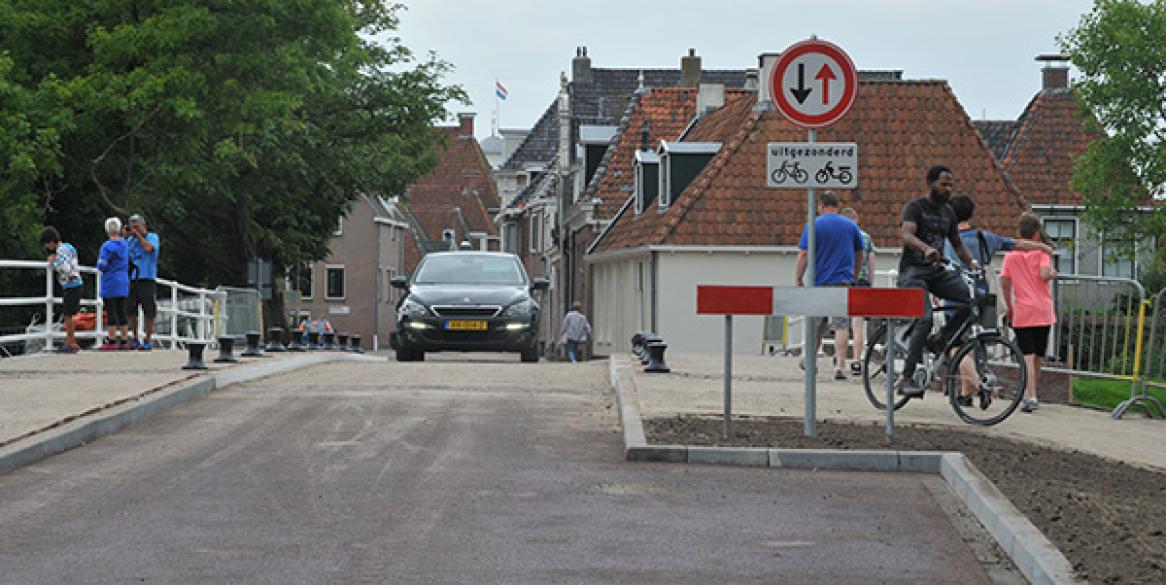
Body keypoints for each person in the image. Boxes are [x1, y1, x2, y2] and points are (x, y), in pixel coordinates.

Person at [943, 195, 1052, 403]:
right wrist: (1042, 247)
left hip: (955, 297)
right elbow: (1015, 244)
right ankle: (966, 395)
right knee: (975, 345)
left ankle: (979, 383)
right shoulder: (985, 238)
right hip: (982, 298)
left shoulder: (949, 240)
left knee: (953, 346)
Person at [896, 165, 981, 398]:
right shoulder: (915, 208)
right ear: (930, 183)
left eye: (950, 185)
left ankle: (941, 338)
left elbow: (957, 244)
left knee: (970, 300)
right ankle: (906, 378)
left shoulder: (948, 213)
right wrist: (925, 249)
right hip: (913, 272)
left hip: (937, 272)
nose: (948, 189)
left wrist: (973, 264)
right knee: (924, 319)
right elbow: (907, 235)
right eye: (943, 184)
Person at [796, 191, 864, 380]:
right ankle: (840, 366)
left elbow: (803, 254)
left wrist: (798, 278)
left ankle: (810, 362)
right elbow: (860, 253)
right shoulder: (850, 226)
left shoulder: (813, 225)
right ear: (837, 206)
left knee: (816, 324)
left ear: (821, 206)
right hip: (842, 281)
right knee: (841, 324)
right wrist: (854, 275)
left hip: (819, 282)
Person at [1001, 212, 1057, 413]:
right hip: (1043, 310)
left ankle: (1029, 395)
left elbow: (1005, 281)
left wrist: (1009, 305)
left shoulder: (1010, 256)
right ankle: (1032, 392)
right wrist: (1051, 274)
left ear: (1019, 232)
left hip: (1022, 310)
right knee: (1038, 356)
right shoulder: (1042, 253)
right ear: (1036, 235)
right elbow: (1044, 274)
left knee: (1027, 355)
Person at [840, 207, 876, 376]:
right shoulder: (866, 238)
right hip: (862, 282)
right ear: (857, 219)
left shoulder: (841, 237)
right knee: (858, 323)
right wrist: (871, 284)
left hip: (844, 280)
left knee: (841, 322)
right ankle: (856, 360)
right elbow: (871, 263)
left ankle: (839, 360)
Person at [40, 227, 83, 353]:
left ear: (52, 242)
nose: (46, 247)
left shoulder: (60, 251)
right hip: (76, 283)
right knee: (70, 314)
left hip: (71, 285)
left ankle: (71, 343)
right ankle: (72, 342)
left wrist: (53, 263)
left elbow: (66, 268)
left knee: (68, 315)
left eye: (47, 244)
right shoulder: (69, 247)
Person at [126, 213, 160, 351]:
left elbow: (149, 248)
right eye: (132, 227)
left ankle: (148, 338)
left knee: (148, 309)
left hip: (147, 277)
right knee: (130, 309)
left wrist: (139, 236)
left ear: (143, 226)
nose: (134, 229)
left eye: (136, 226)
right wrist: (125, 237)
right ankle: (134, 337)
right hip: (132, 278)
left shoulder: (152, 237)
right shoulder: (130, 241)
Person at [96, 217, 131, 351]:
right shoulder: (124, 244)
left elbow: (102, 264)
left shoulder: (107, 246)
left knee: (111, 311)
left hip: (110, 281)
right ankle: (124, 340)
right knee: (122, 310)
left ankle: (111, 340)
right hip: (123, 280)